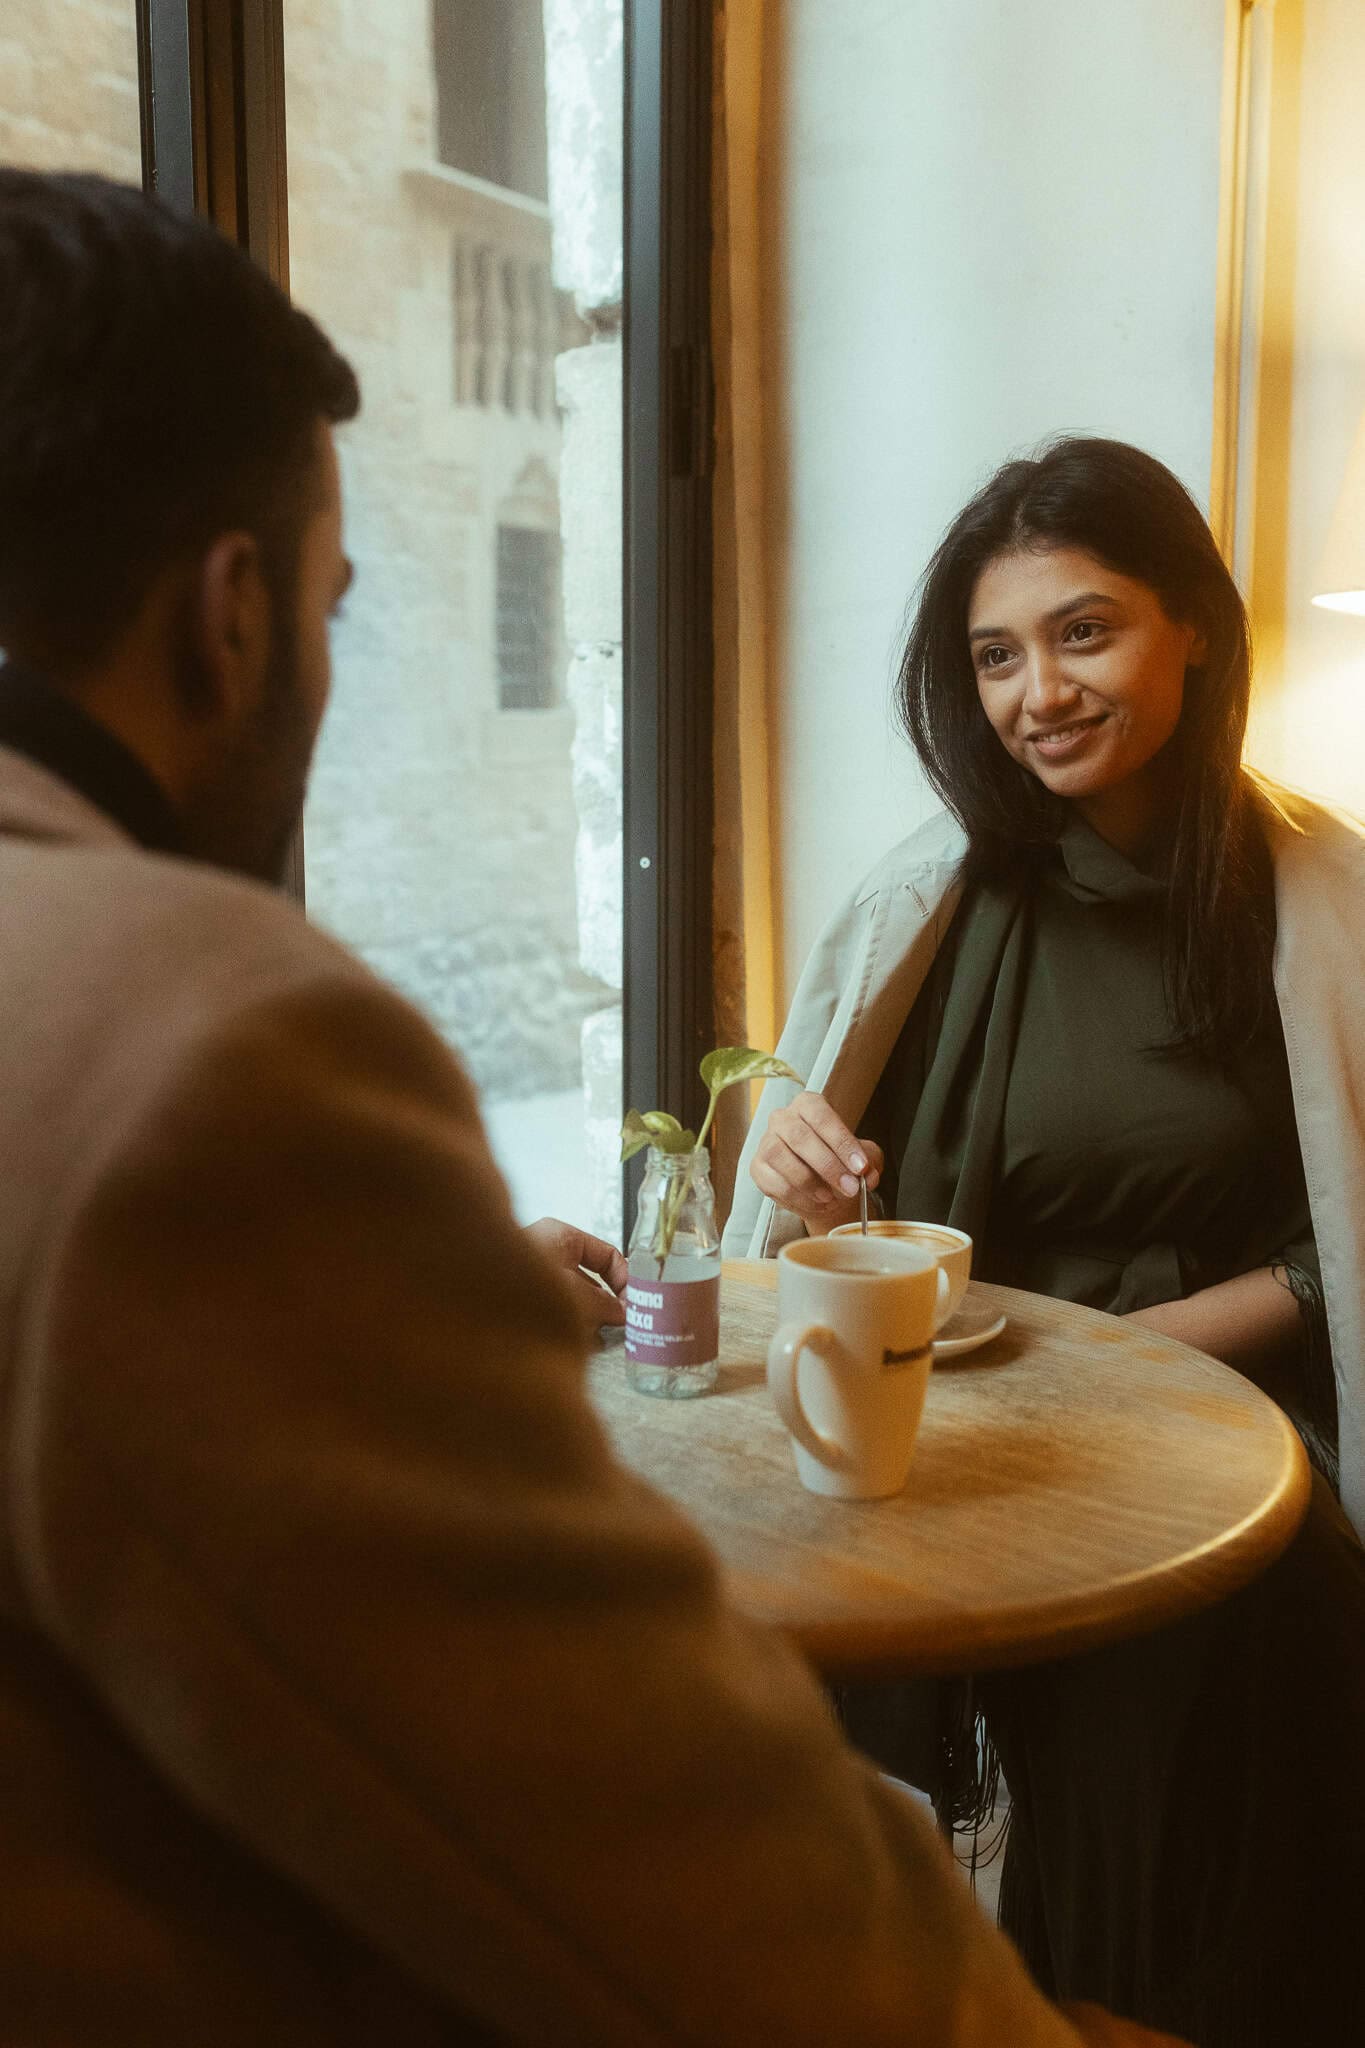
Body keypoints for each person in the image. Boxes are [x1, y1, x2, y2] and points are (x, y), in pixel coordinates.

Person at [0, 172, 1181, 2047]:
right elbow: (661, 1855)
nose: (1040, 693)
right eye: (331, 610)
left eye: (1089, 633)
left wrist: (421, 1301)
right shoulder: (194, 1043)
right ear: (232, 616)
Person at [726, 436, 1365, 2047]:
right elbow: (873, 1221)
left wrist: (1125, 1369)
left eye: (1085, 632)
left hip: (1223, 1428)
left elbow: (1336, 1253)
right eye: (995, 656)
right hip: (957, 1416)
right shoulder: (927, 897)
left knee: (1190, 1707)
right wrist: (802, 1167)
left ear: (1195, 629)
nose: (1038, 694)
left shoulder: (1318, 901)